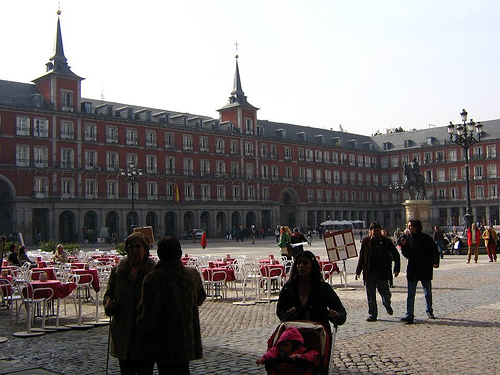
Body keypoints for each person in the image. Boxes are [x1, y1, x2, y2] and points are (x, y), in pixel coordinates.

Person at [137, 236, 206, 375]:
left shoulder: (154, 278)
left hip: (163, 341)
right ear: (180, 253)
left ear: (159, 254)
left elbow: (149, 314)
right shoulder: (191, 275)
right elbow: (200, 298)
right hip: (186, 339)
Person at [103, 232, 156, 375]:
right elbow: (108, 294)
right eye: (130, 247)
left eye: (137, 246)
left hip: (145, 334)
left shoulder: (153, 273)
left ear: (145, 250)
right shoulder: (118, 272)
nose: (134, 250)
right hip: (123, 331)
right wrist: (108, 303)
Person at [276, 251, 346, 339]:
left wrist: (337, 316)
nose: (301, 266)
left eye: (305, 263)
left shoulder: (323, 288)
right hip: (294, 334)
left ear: (312, 266)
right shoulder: (288, 288)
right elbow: (280, 310)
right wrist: (287, 314)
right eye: (298, 263)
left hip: (318, 335)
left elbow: (340, 310)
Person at [355, 222, 400, 322]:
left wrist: (397, 268)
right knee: (370, 296)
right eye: (374, 231)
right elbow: (362, 257)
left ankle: (387, 304)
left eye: (378, 230)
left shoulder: (387, 241)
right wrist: (358, 271)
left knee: (385, 293)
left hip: (382, 272)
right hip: (369, 272)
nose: (376, 233)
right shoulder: (365, 241)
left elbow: (396, 255)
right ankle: (373, 314)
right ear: (370, 231)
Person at [399, 219, 439, 324]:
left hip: (425, 268)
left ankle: (429, 310)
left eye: (410, 226)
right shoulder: (408, 239)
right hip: (413, 269)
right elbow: (407, 254)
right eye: (408, 226)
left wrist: (435, 261)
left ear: (416, 227)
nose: (409, 228)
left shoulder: (426, 238)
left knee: (427, 293)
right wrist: (403, 246)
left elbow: (434, 250)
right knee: (411, 294)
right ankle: (409, 314)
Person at [255, 326, 319, 367]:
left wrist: (300, 357)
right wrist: (263, 359)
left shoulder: (303, 351)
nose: (282, 347)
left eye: (286, 345)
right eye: (281, 344)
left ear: (294, 346)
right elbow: (270, 354)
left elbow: (312, 355)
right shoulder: (278, 351)